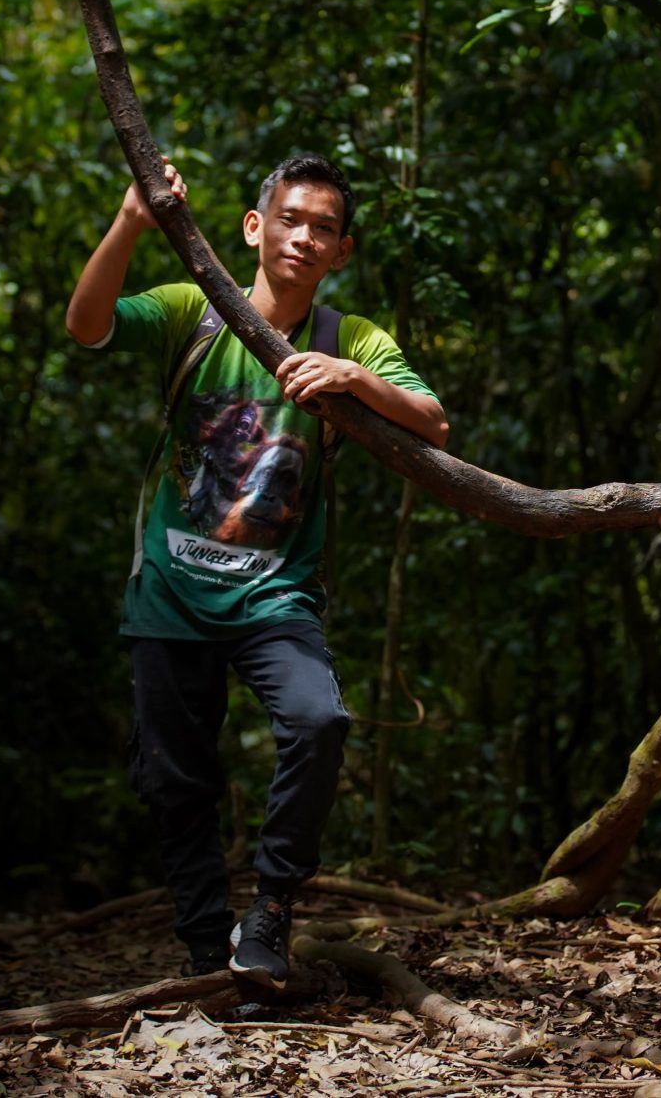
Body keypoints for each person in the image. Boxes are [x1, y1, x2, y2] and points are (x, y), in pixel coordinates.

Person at [65, 153, 449, 989]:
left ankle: (271, 908)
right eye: (290, 218)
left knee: (319, 720)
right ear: (255, 226)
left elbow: (434, 423)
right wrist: (133, 220)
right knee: (177, 777)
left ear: (341, 250)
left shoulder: (348, 338)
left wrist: (354, 379)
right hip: (171, 588)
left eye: (323, 227)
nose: (304, 237)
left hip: (274, 592)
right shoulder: (191, 310)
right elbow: (87, 325)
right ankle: (211, 951)